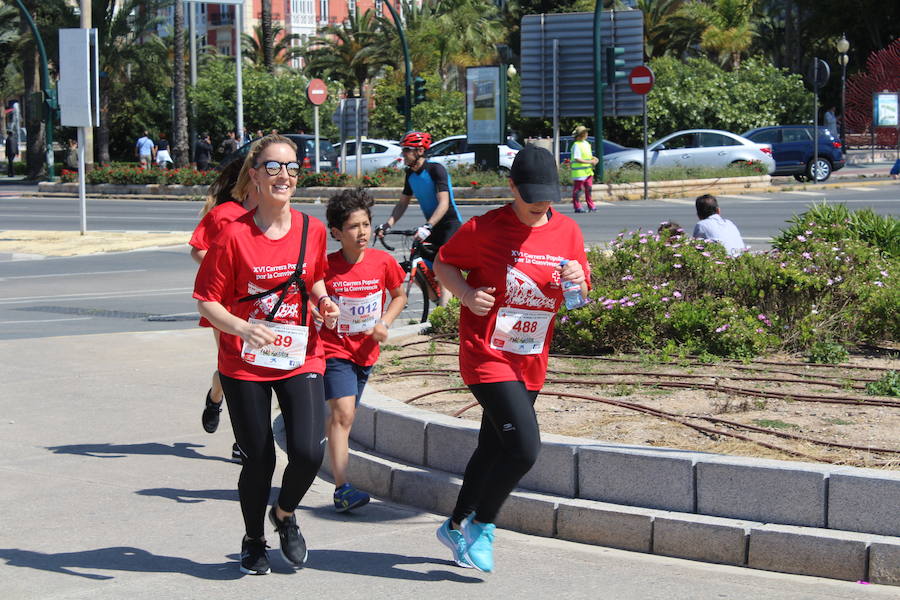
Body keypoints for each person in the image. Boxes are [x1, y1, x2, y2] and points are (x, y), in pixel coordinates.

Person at [432, 145, 590, 573]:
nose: (540, 203)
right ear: (512, 187)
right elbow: (442, 262)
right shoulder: (485, 229)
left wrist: (578, 278)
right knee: (523, 450)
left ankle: (455, 524)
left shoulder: (568, 233)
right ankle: (482, 525)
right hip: (487, 356)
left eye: (547, 195)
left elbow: (580, 291)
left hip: (530, 358)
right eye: (531, 194)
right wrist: (465, 293)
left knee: (492, 447)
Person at [193, 134, 340, 575]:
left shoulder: (312, 229)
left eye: (292, 167)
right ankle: (254, 537)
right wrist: (241, 328)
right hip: (244, 363)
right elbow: (206, 299)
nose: (285, 175)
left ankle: (285, 514)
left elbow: (313, 280)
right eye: (274, 167)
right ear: (254, 176)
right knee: (260, 459)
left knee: (309, 453)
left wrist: (324, 302)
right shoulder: (232, 234)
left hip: (300, 354)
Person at [320, 188, 407, 513]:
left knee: (346, 416)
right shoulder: (326, 267)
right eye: (354, 227)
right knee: (343, 414)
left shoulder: (382, 261)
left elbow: (399, 296)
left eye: (366, 225)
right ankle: (342, 488)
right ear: (337, 233)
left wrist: (384, 322)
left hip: (366, 352)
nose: (363, 233)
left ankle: (331, 449)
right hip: (334, 350)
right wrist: (321, 311)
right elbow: (310, 299)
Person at [190, 159, 260, 463]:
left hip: (261, 306)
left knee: (251, 369)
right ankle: (241, 441)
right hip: (224, 306)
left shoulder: (270, 215)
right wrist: (223, 270)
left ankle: (215, 395)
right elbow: (198, 248)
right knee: (236, 368)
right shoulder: (222, 214)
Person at [375, 131, 462, 305]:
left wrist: (427, 226)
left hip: (449, 226)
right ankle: (440, 304)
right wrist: (387, 225)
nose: (403, 154)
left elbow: (444, 203)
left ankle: (443, 316)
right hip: (432, 227)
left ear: (420, 151)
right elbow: (402, 204)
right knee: (415, 265)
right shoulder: (410, 175)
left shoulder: (436, 170)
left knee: (444, 270)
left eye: (407, 150)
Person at [570, 125, 599, 213]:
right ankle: (577, 206)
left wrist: (594, 159)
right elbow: (577, 158)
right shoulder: (576, 145)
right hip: (579, 172)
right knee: (578, 190)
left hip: (588, 171)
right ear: (580, 135)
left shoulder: (586, 144)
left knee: (588, 189)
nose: (586, 134)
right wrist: (590, 162)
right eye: (584, 132)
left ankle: (591, 205)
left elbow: (588, 156)